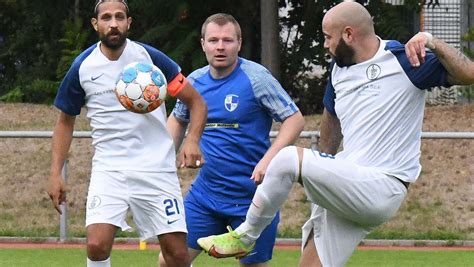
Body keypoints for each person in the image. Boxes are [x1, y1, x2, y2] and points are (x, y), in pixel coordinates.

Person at [197, 2, 474, 267]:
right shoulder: (339, 71)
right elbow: (331, 124)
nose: (326, 44)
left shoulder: (405, 60)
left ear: (349, 35)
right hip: (348, 182)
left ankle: (246, 236)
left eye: (328, 37)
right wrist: (319, 171)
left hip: (382, 186)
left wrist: (432, 41)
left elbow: (468, 73)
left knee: (285, 158)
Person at [46, 1, 207, 266]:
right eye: (106, 18)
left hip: (156, 168)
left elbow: (197, 102)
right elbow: (65, 121)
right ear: (95, 24)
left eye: (119, 17)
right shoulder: (82, 66)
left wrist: (192, 140)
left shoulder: (151, 59)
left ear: (128, 23)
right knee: (96, 245)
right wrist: (55, 173)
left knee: (177, 254)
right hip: (109, 168)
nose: (113, 24)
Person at [159, 13, 304, 267]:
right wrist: (160, 162)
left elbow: (294, 119)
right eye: (213, 40)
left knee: (253, 266)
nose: (220, 47)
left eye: (227, 40)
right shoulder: (194, 81)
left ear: (239, 43)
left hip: (253, 199)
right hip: (206, 195)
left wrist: (269, 160)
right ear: (203, 44)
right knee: (169, 261)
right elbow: (178, 119)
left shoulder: (257, 78)